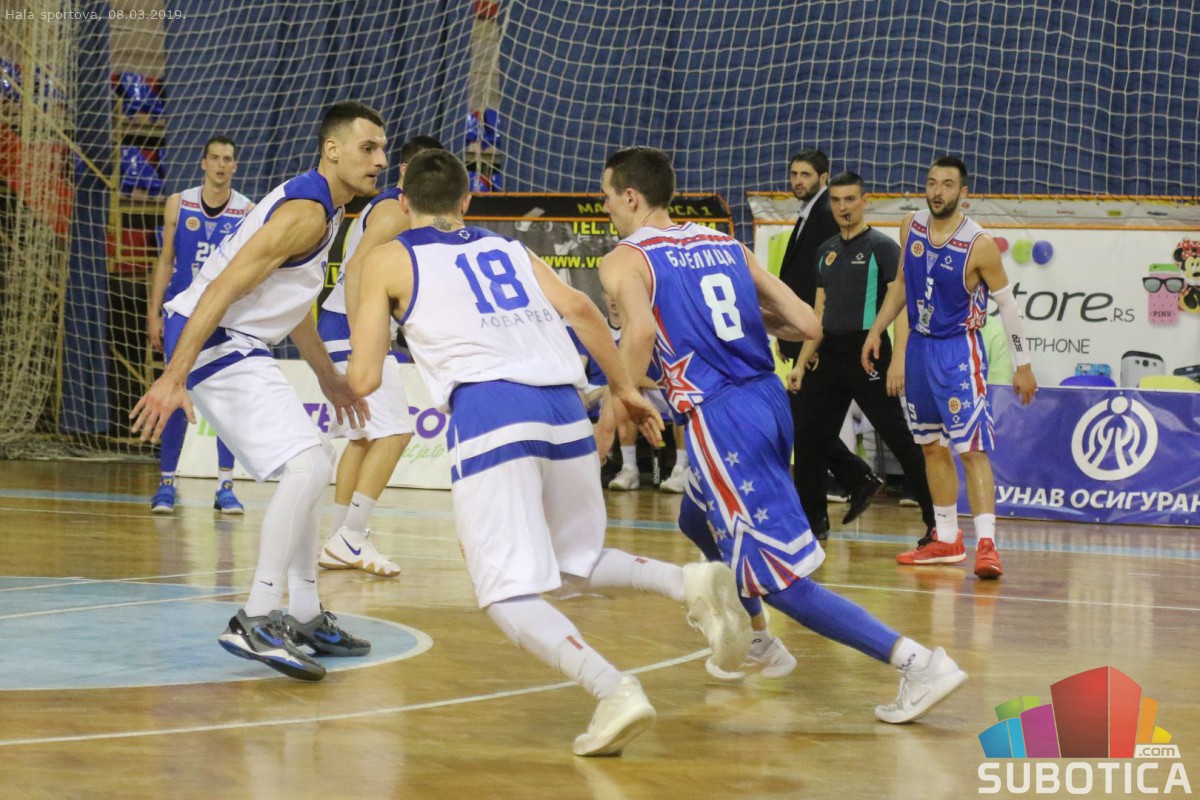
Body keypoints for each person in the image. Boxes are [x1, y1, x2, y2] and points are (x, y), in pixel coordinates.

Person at [347, 149, 752, 758]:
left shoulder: (387, 258)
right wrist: (623, 388)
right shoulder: (511, 248)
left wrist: (343, 369)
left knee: (504, 594)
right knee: (571, 560)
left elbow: (364, 378)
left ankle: (613, 689)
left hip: (490, 410)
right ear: (466, 200)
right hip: (563, 406)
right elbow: (583, 310)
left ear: (403, 204)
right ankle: (686, 580)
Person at [597, 146, 967, 723]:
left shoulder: (624, 259)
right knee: (695, 516)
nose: (604, 207)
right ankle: (758, 639)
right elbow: (806, 323)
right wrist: (747, 325)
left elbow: (639, 333)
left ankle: (918, 663)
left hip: (723, 417)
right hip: (768, 400)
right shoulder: (726, 244)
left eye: (606, 196)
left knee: (782, 581)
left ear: (630, 196)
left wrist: (615, 408)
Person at [131, 101, 387, 681]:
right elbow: (222, 286)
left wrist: (327, 376)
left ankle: (304, 613)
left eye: (382, 149)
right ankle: (257, 617)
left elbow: (291, 303)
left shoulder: (324, 208)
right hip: (216, 337)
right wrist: (174, 375)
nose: (379, 160)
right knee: (307, 466)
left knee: (314, 463)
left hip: (235, 339)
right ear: (332, 150)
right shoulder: (307, 213)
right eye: (368, 148)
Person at [862, 157, 1038, 578]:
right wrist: (877, 330)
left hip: (959, 350)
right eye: (931, 182)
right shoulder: (910, 226)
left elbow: (1009, 307)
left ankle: (987, 545)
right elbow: (902, 286)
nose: (937, 191)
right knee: (929, 446)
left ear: (964, 193)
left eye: (946, 184)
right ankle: (945, 538)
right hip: (920, 349)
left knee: (971, 450)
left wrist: (1023, 365)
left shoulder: (979, 244)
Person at [315, 135, 444, 578]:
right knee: (396, 433)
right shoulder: (394, 211)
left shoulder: (396, 207)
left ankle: (338, 538)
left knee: (363, 439)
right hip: (350, 330)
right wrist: (363, 337)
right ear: (405, 171)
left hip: (340, 327)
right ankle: (350, 537)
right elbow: (356, 269)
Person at [786, 172, 936, 540]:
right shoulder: (825, 251)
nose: (843, 207)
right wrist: (802, 362)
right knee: (807, 437)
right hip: (828, 354)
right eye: (836, 201)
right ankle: (813, 524)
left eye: (850, 200)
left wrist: (897, 360)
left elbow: (901, 306)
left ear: (864, 201)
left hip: (868, 352)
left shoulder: (882, 247)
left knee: (900, 438)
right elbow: (818, 313)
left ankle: (937, 523)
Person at [775, 149, 882, 536]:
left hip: (816, 338)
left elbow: (821, 287)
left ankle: (826, 505)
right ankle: (846, 486)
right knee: (806, 427)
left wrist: (808, 341)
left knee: (806, 428)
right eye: (793, 174)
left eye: (805, 174)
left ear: (824, 177)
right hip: (803, 334)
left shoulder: (824, 215)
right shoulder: (810, 214)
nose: (797, 181)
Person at [145, 136, 252, 515]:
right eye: (215, 158)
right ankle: (166, 483)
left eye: (228, 159)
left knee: (228, 400)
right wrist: (154, 312)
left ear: (235, 166)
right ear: (203, 162)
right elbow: (165, 260)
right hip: (182, 312)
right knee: (173, 391)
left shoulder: (246, 211)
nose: (221, 164)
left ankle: (225, 486)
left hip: (223, 315)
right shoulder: (179, 203)